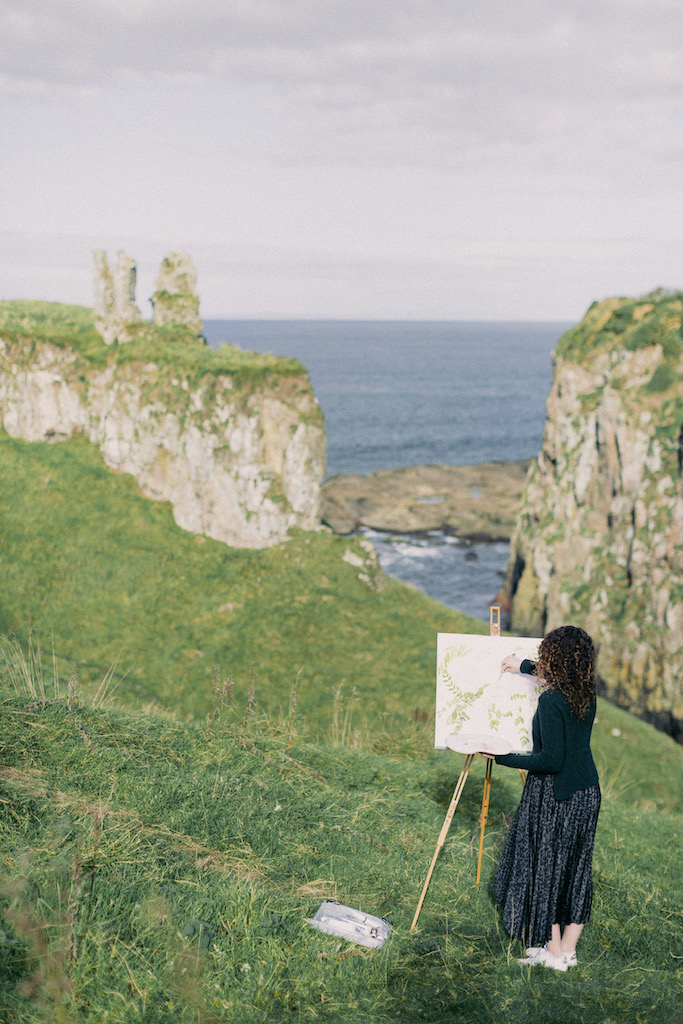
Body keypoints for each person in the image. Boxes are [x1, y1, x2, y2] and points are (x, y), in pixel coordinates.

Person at [490, 624, 601, 972]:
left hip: (556, 796)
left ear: (554, 658)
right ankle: (567, 951)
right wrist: (520, 665)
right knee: (575, 869)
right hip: (587, 792)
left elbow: (551, 761)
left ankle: (551, 955)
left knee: (546, 868)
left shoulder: (551, 701)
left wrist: (501, 756)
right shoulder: (587, 691)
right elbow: (554, 674)